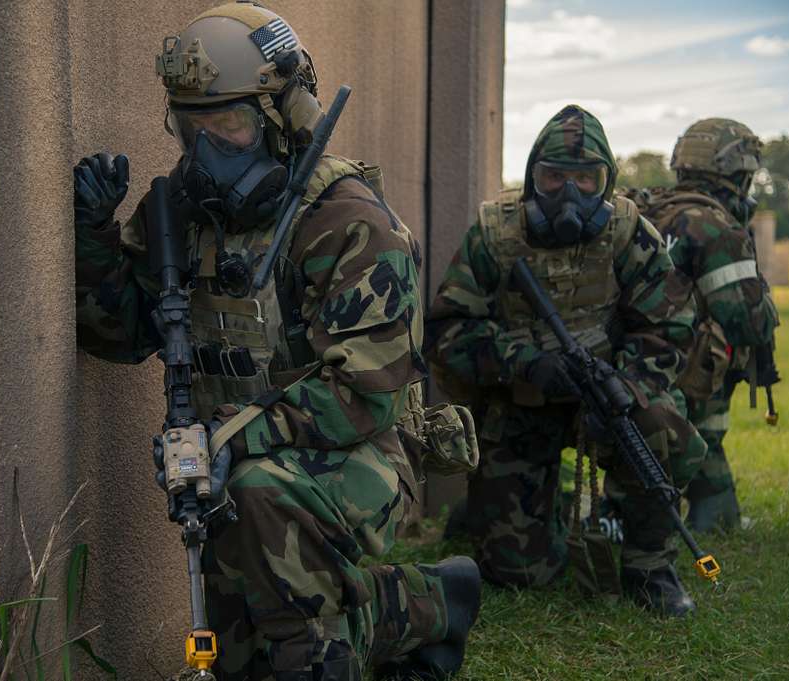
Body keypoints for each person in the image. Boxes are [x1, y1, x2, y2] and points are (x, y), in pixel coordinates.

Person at [72, 3, 480, 679]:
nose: (206, 152)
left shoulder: (345, 220)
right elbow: (120, 335)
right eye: (190, 127)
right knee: (243, 649)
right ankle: (432, 603)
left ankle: (340, 645)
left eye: (227, 126)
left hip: (364, 451)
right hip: (237, 454)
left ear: (284, 117)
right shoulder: (183, 211)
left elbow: (364, 397)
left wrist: (228, 440)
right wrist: (93, 237)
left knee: (264, 506)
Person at [425, 105, 707, 617]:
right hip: (522, 398)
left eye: (586, 178)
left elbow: (670, 325)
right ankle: (512, 510)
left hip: (605, 395)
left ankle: (650, 566)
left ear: (607, 181)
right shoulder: (495, 234)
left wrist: (628, 383)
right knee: (518, 574)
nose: (569, 193)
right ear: (534, 176)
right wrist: (524, 363)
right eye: (554, 177)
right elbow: (446, 329)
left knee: (657, 425)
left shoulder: (627, 231)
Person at [627, 118, 780, 532]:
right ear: (737, 172)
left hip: (628, 364)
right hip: (683, 370)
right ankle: (705, 516)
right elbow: (746, 320)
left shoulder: (645, 209)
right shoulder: (714, 225)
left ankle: (709, 511)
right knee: (704, 428)